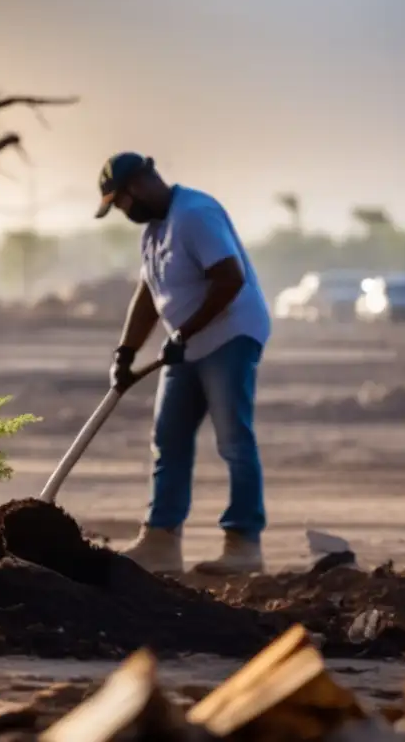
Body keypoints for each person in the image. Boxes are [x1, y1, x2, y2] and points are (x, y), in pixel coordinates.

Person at [95, 151, 271, 576]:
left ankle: (244, 543)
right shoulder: (153, 232)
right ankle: (160, 541)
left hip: (230, 335)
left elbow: (230, 278)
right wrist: (125, 352)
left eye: (119, 202)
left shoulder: (195, 214)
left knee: (232, 439)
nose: (123, 211)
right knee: (168, 439)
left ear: (136, 187)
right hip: (186, 345)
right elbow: (149, 297)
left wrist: (184, 334)